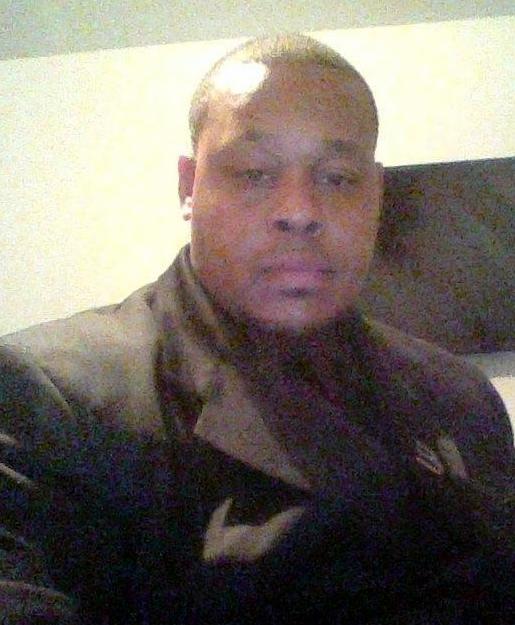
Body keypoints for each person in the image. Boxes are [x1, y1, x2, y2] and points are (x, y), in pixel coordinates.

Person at [0, 33, 513, 625]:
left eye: (338, 178)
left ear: (375, 194)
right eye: (253, 173)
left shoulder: (459, 396)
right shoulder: (43, 400)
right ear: (189, 185)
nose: (300, 211)